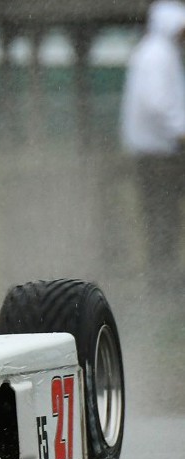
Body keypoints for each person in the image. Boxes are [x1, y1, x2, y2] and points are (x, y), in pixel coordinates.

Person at [120, 0, 185, 286]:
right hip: (157, 154)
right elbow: (159, 103)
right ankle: (163, 279)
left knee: (160, 215)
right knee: (162, 216)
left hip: (154, 151)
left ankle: (162, 276)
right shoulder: (159, 55)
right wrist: (180, 130)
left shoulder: (155, 52)